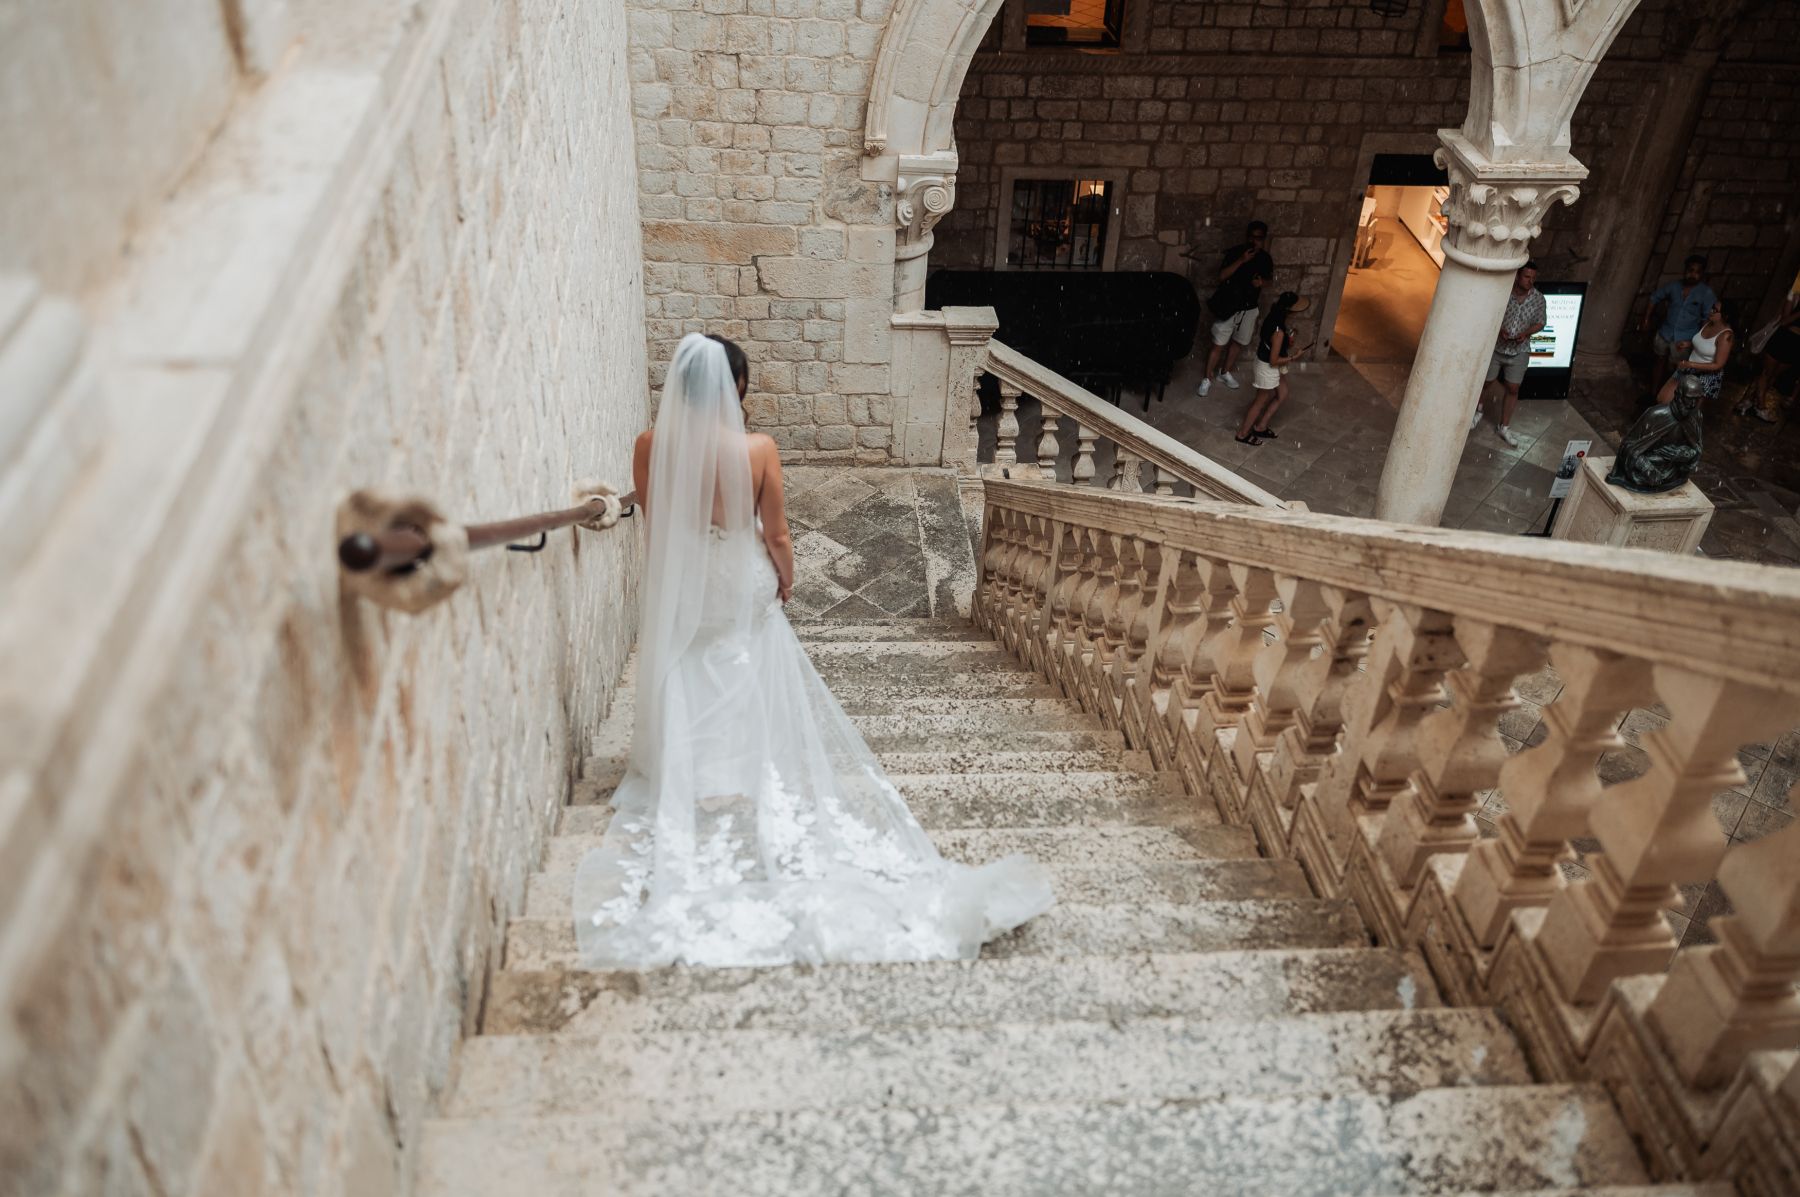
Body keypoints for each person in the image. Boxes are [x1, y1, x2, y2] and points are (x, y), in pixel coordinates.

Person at [574, 333, 1054, 968]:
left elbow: (662, 523)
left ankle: (697, 776)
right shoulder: (758, 449)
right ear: (736, 389)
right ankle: (735, 776)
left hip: (688, 580)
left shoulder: (648, 445)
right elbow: (774, 531)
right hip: (741, 578)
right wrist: (785, 576)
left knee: (694, 663)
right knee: (740, 664)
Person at [1471, 261, 1546, 447]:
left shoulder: (1538, 299)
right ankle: (1477, 411)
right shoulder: (1503, 293)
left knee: (1513, 388)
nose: (1530, 281)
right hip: (1496, 347)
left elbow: (1541, 322)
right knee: (1486, 381)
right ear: (1518, 276)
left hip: (1519, 350)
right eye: (1527, 277)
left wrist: (1525, 334)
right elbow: (1490, 313)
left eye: (1533, 278)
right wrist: (1499, 330)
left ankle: (1504, 426)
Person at [1195, 220, 1274, 397]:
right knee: (1218, 344)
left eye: (1259, 238)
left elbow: (1269, 280)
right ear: (1247, 237)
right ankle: (1207, 378)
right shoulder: (1236, 253)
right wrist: (1241, 260)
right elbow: (1222, 276)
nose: (1255, 242)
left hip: (1250, 308)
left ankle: (1225, 372)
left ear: (1263, 239)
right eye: (1252, 237)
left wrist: (1262, 283)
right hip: (1229, 306)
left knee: (1238, 343)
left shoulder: (1265, 259)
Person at [1234, 293, 1310, 445]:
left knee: (1282, 394)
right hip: (1267, 368)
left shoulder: (1275, 317)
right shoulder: (1278, 331)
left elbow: (1273, 344)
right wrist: (1295, 356)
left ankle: (1260, 427)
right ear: (1290, 310)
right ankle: (1242, 434)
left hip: (1267, 363)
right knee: (1260, 401)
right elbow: (1274, 361)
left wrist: (1287, 342)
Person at [1641, 254, 1718, 395]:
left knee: (1678, 369)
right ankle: (1653, 393)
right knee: (1659, 361)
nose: (1692, 275)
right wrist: (1646, 319)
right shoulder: (1674, 286)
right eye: (1690, 270)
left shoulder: (1706, 293)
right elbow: (1654, 297)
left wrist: (1696, 342)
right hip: (1666, 332)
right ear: (1685, 270)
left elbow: (1707, 320)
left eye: (1697, 272)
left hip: (1685, 338)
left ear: (1702, 274)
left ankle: (1669, 397)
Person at [1742, 271, 1800, 425]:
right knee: (1766, 373)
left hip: (1796, 344)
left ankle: (1747, 401)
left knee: (1773, 376)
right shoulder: (1794, 294)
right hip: (1784, 338)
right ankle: (1760, 406)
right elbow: (1784, 321)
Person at [1654, 296, 1732, 407]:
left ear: (1725, 316)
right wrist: (1688, 344)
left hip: (1705, 376)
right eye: (1711, 307)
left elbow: (1718, 364)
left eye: (1715, 310)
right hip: (1689, 367)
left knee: (1687, 411)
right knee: (1662, 399)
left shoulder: (1726, 336)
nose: (1710, 311)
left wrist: (1690, 364)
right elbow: (1704, 343)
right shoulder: (1707, 323)